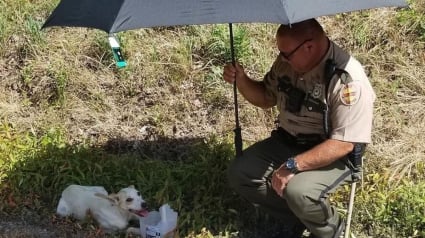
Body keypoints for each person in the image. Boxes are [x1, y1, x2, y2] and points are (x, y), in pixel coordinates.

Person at [223, 19, 375, 238]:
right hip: (288, 141)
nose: (282, 58)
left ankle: (330, 230)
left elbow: (344, 143)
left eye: (286, 54)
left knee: (299, 192)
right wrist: (242, 80)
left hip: (332, 154)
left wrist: (292, 166)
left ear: (309, 46)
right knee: (241, 173)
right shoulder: (288, 62)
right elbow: (266, 97)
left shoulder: (348, 79)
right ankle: (299, 216)